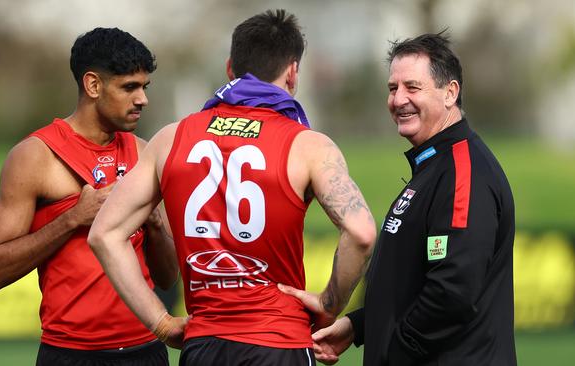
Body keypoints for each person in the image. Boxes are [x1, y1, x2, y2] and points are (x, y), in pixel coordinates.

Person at [88, 9, 377, 366]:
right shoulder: (309, 146)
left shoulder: (170, 138)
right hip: (278, 341)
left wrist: (161, 323)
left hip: (204, 344)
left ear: (230, 69)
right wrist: (329, 304)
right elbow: (361, 232)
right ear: (292, 72)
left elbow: (104, 233)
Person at [283, 32, 517, 365]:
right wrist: (360, 326)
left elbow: (453, 291)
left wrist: (394, 351)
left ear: (450, 93)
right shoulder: (434, 165)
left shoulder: (463, 172)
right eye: (393, 89)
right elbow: (414, 280)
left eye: (412, 87)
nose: (398, 100)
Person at [0, 27, 179, 366]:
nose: (142, 99)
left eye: (144, 87)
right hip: (70, 355)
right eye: (129, 87)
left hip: (146, 351)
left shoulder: (145, 155)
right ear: (93, 85)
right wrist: (72, 218)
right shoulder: (36, 157)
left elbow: (167, 277)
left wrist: (156, 222)